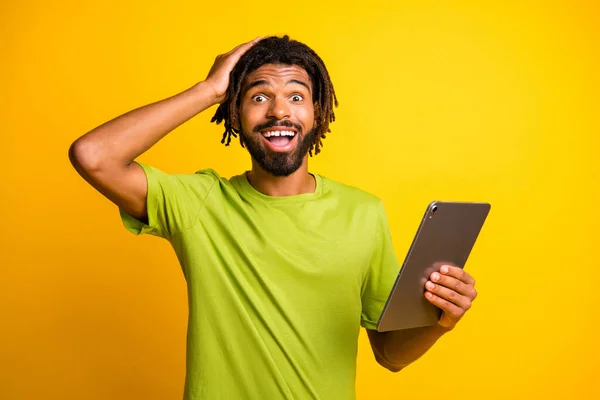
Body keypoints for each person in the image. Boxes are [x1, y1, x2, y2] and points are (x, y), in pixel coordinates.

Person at [69, 35, 478, 400]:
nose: (279, 111)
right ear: (234, 113)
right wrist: (208, 89)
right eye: (259, 96)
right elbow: (94, 156)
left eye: (297, 97)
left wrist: (440, 322)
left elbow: (390, 353)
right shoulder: (199, 203)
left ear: (318, 114)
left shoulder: (363, 212)